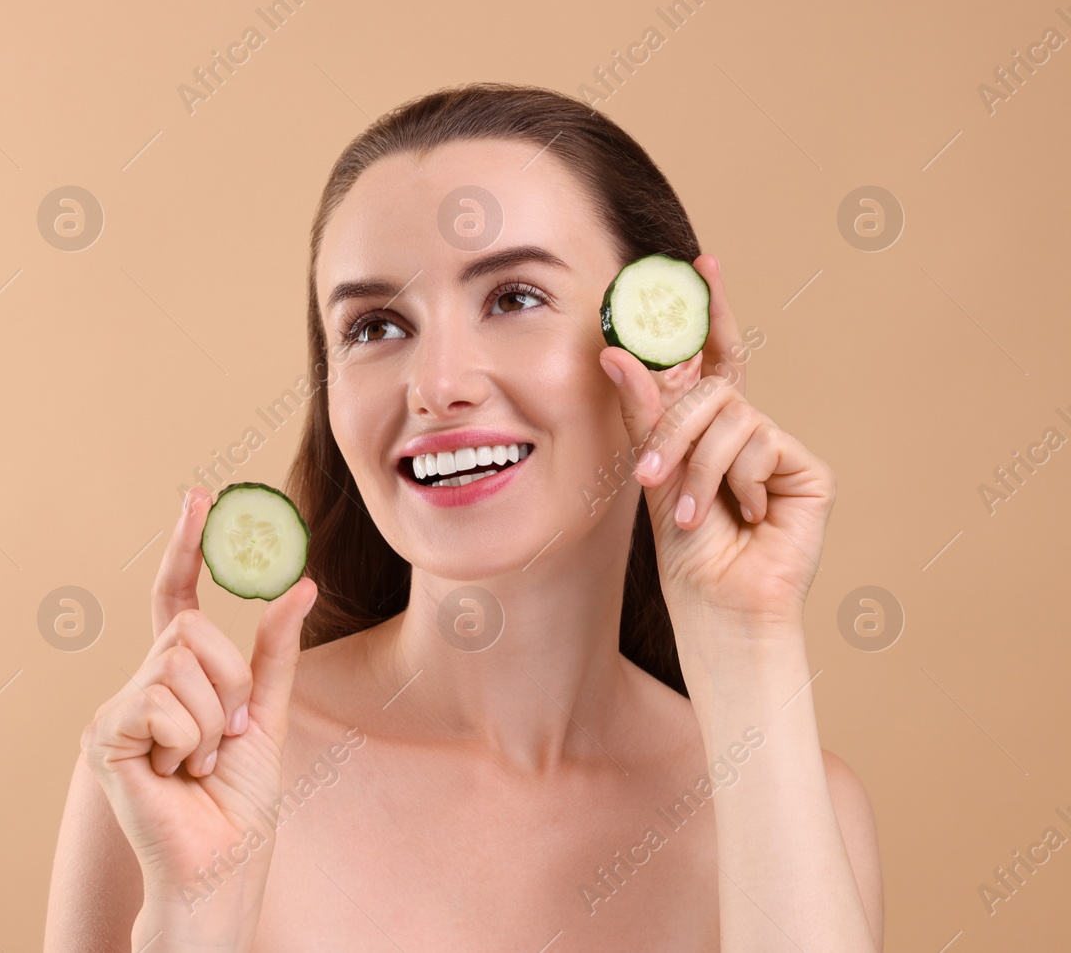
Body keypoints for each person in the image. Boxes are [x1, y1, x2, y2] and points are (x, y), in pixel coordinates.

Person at [45, 82, 883, 951]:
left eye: (514, 297)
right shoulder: (173, 778)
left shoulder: (795, 804)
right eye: (374, 326)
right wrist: (196, 918)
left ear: (673, 348)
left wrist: (747, 643)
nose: (437, 382)